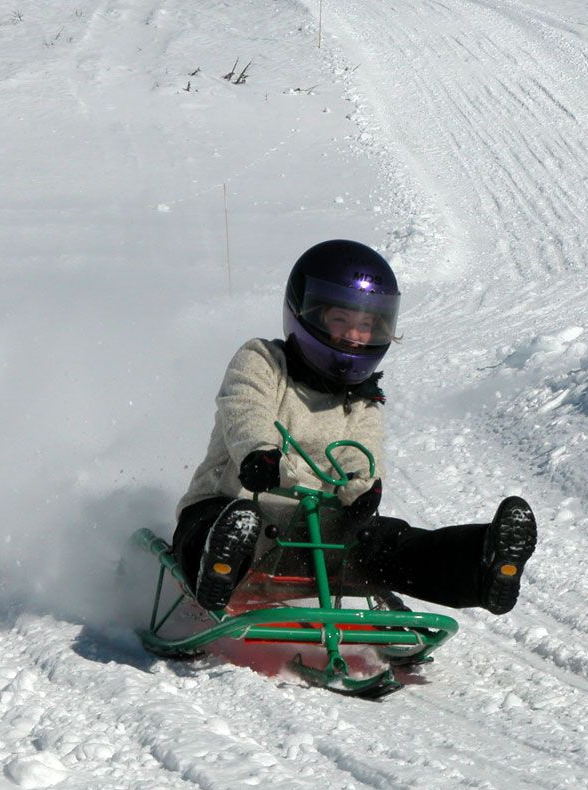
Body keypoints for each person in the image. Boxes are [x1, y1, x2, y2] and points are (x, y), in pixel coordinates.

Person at [172, 240, 537, 614]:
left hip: (315, 536)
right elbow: (245, 408)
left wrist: (362, 485)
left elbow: (362, 451)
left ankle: (482, 563)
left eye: (365, 326)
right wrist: (259, 452)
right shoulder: (263, 359)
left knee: (386, 543)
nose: (353, 335)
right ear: (307, 313)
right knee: (219, 526)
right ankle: (218, 567)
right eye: (340, 320)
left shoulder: (363, 397)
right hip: (236, 505)